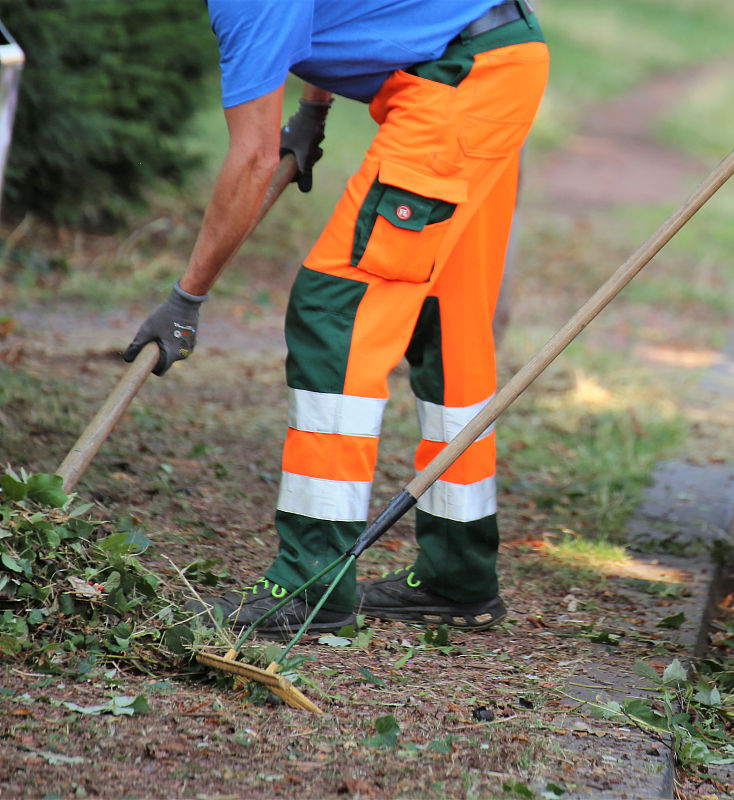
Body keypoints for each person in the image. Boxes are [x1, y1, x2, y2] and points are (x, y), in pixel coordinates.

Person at [123, 0, 549, 638]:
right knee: (444, 322)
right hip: (500, 62)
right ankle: (457, 575)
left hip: (456, 84)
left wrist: (187, 299)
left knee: (337, 312)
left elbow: (252, 160)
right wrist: (312, 111)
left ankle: (310, 584)